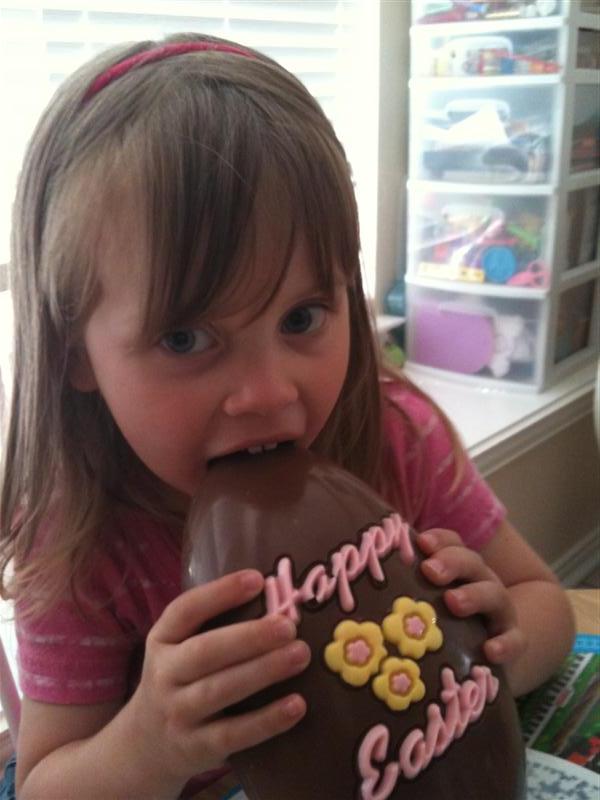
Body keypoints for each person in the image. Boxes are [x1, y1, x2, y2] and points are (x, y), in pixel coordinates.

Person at [0, 32, 574, 800]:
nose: (269, 394)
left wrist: (501, 642)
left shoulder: (396, 437)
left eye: (302, 317)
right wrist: (147, 746)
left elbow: (546, 602)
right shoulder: (76, 538)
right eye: (185, 338)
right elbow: (44, 783)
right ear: (76, 352)